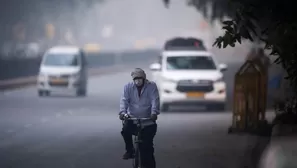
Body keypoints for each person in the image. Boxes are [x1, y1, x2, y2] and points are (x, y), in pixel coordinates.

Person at [119, 68, 160, 168]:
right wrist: (122, 113)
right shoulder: (127, 87)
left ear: (144, 78)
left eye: (140, 78)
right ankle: (130, 151)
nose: (138, 80)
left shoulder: (151, 86)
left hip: (148, 121)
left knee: (147, 148)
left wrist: (154, 113)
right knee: (125, 131)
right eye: (135, 78)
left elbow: (155, 100)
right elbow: (124, 101)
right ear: (133, 79)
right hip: (132, 119)